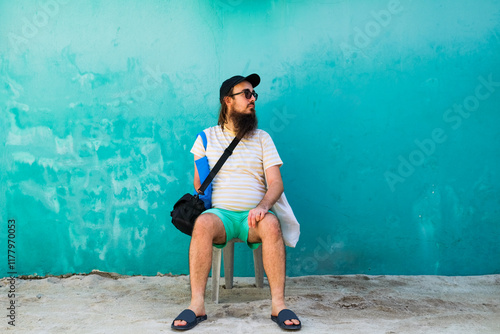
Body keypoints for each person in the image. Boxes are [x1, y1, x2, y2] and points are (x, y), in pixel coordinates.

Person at [171, 74, 301, 331]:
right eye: (247, 94)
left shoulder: (263, 138)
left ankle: (279, 305)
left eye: (254, 94)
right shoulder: (206, 138)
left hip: (255, 217)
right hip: (221, 217)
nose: (253, 99)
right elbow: (199, 186)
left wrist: (263, 206)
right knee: (202, 224)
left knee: (272, 225)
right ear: (227, 101)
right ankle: (196, 305)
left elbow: (276, 183)